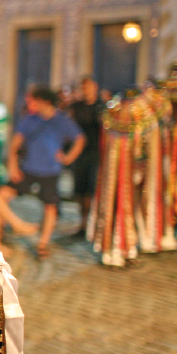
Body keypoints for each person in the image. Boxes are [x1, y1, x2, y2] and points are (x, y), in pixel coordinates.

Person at [0, 86, 84, 258]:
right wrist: (13, 166)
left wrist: (68, 158)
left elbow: (80, 139)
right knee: (1, 195)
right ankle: (3, 231)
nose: (31, 103)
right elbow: (14, 145)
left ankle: (42, 244)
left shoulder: (62, 120)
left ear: (45, 102)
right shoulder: (29, 119)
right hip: (28, 169)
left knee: (50, 207)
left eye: (35, 100)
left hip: (50, 171)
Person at [67, 77, 104, 236]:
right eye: (84, 87)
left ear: (95, 88)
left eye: (89, 87)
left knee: (93, 189)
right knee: (80, 190)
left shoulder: (102, 107)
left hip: (96, 153)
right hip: (80, 154)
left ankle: (95, 223)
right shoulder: (75, 107)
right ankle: (83, 222)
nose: (87, 90)